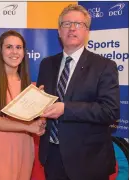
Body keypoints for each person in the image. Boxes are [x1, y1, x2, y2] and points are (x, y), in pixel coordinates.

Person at [37, 4, 120, 180]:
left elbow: (110, 111)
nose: (72, 28)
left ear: (87, 31)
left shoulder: (104, 66)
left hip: (89, 161)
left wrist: (65, 109)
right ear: (59, 31)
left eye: (78, 24)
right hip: (52, 157)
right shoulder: (47, 64)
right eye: (67, 24)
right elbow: (45, 103)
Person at [0, 30, 46, 180]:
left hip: (24, 147)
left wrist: (42, 114)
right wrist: (28, 127)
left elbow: (34, 120)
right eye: (9, 47)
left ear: (24, 52)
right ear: (0, 51)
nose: (14, 52)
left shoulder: (29, 85)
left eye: (19, 47)